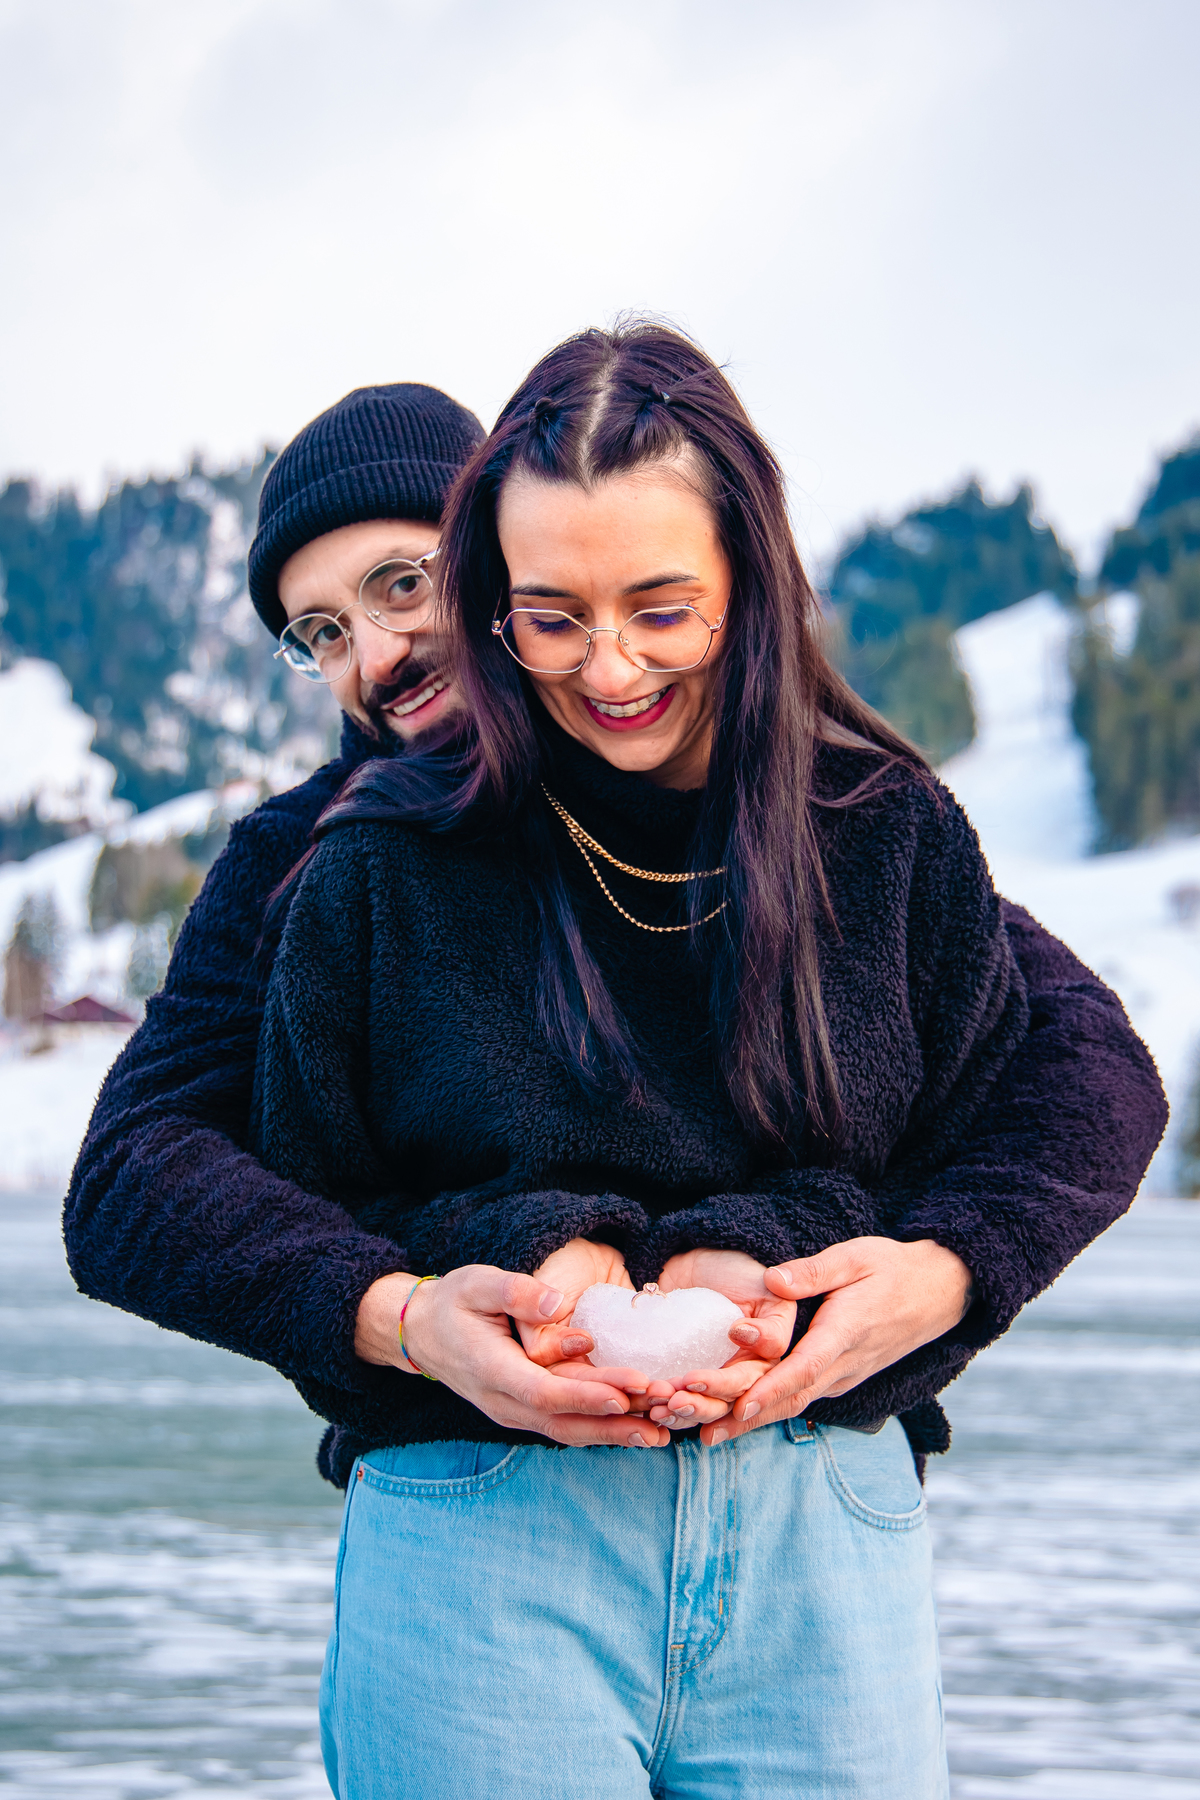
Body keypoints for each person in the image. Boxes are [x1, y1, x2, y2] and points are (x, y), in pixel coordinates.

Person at [235, 322, 1165, 1798]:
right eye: (554, 619)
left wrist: (943, 1272)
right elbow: (248, 1172)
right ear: (510, 596)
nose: (610, 665)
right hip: (485, 1517)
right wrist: (421, 1309)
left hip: (823, 1528)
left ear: (747, 580)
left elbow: (1066, 1072)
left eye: (661, 608)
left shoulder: (877, 829)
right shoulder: (351, 864)